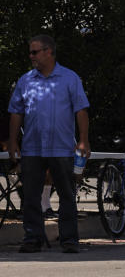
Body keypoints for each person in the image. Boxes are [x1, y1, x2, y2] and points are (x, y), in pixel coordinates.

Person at [7, 34, 90, 254]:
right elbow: (16, 112)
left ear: (48, 52)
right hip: (33, 147)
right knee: (31, 195)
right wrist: (13, 140)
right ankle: (33, 238)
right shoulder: (26, 80)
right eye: (30, 52)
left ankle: (69, 239)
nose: (31, 56)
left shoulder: (70, 78)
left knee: (66, 195)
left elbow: (80, 110)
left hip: (61, 147)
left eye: (34, 52)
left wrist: (83, 140)